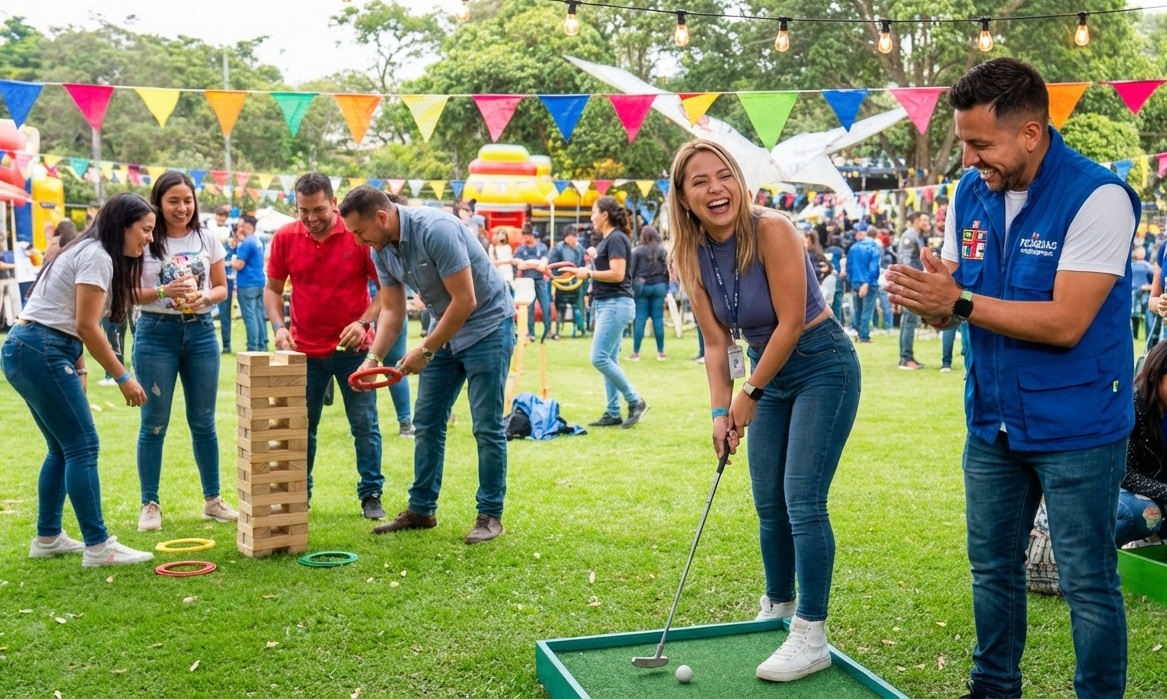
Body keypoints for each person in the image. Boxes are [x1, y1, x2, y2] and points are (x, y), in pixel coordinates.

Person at [886, 57, 1138, 698]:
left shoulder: (1099, 196)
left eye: (980, 144)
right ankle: (992, 689)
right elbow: (954, 298)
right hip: (992, 419)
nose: (969, 159)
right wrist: (931, 303)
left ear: (1030, 133)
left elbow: (1065, 322)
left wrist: (959, 305)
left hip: (1080, 426)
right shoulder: (971, 193)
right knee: (992, 570)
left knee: (1087, 580)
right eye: (965, 143)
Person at [667, 139, 860, 683]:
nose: (715, 189)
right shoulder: (689, 254)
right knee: (768, 502)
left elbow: (792, 322)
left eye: (722, 175)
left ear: (738, 180)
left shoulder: (773, 228)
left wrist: (747, 394)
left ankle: (810, 633)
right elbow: (714, 344)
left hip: (823, 365)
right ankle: (777, 606)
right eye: (699, 181)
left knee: (802, 499)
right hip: (764, 372)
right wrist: (716, 411)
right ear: (683, 198)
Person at [339, 185, 516, 544]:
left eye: (359, 232)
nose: (358, 241)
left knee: (486, 425)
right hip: (444, 331)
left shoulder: (436, 229)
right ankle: (422, 510)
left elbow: (465, 300)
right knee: (427, 421)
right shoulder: (381, 250)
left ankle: (489, 515)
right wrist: (373, 358)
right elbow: (392, 309)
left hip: (488, 325)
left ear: (382, 217)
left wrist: (426, 350)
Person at [3, 193, 155, 567]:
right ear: (123, 226)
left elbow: (66, 317)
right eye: (145, 230)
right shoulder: (97, 256)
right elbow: (87, 325)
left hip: (28, 348)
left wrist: (82, 369)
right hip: (41, 349)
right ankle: (98, 547)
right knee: (83, 446)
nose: (149, 238)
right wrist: (122, 376)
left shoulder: (85, 250)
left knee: (62, 447)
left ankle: (48, 536)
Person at [264, 173, 386, 520]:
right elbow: (272, 289)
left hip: (354, 350)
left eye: (319, 209)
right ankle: (300, 494)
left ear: (334, 202)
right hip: (304, 349)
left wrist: (363, 321)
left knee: (364, 424)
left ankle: (371, 495)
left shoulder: (356, 234)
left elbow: (386, 291)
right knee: (303, 425)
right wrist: (278, 327)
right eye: (304, 211)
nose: (312, 218)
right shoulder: (285, 237)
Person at [134, 171, 237, 531]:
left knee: (204, 421)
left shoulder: (207, 237)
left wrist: (203, 296)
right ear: (158, 203)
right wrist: (166, 292)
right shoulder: (144, 239)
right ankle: (149, 503)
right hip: (155, 334)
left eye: (188, 200)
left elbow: (223, 288)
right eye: (173, 201)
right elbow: (128, 292)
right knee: (154, 423)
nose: (182, 208)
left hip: (201, 334)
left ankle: (213, 500)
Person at [562, 196, 649, 428]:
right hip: (606, 303)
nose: (591, 217)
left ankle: (635, 400)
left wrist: (589, 274)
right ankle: (613, 412)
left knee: (599, 357)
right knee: (609, 359)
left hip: (616, 304)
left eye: (593, 212)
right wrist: (591, 266)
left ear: (604, 215)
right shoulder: (607, 240)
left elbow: (618, 274)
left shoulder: (617, 238)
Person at [1118, 340, 1167, 547]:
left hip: (1159, 493)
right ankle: (1090, 558)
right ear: (1156, 373)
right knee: (1136, 514)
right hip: (1123, 493)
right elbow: (1125, 474)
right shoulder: (1132, 405)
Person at [628, 225, 669, 360]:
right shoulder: (662, 251)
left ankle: (636, 352)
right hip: (659, 286)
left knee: (640, 319)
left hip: (642, 287)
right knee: (658, 319)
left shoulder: (637, 251)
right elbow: (667, 271)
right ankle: (661, 352)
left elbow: (631, 272)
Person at [896, 212, 930, 369]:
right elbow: (907, 262)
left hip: (910, 282)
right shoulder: (910, 236)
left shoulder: (918, 236)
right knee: (910, 320)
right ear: (916, 221)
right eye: (923, 220)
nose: (926, 223)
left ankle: (906, 356)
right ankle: (906, 358)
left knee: (908, 320)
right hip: (910, 282)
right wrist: (915, 281)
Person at [233, 214, 268, 352]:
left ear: (248, 225)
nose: (239, 227)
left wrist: (231, 262)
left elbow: (239, 265)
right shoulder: (257, 240)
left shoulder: (247, 242)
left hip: (247, 283)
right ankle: (262, 344)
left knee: (250, 316)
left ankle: (253, 346)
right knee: (259, 314)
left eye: (241, 224)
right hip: (258, 282)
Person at [512, 224, 552, 341]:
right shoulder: (520, 249)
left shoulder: (542, 247)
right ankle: (531, 333)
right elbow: (520, 264)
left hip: (540, 280)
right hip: (527, 281)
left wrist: (528, 264)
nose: (523, 239)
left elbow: (543, 265)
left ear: (530, 235)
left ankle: (548, 330)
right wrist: (536, 263)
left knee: (546, 305)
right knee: (529, 308)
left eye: (525, 237)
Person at [549, 225, 587, 338]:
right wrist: (558, 278)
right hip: (562, 283)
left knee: (578, 306)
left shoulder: (580, 249)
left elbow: (582, 264)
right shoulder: (558, 248)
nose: (574, 239)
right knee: (560, 307)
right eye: (571, 237)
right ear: (566, 237)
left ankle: (580, 328)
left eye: (575, 237)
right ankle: (558, 331)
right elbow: (552, 265)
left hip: (577, 283)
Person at [844, 228, 879, 343]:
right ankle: (864, 336)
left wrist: (851, 281)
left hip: (855, 281)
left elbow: (848, 266)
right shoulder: (873, 247)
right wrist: (867, 282)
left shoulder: (853, 247)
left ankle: (857, 333)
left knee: (857, 310)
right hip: (868, 283)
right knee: (867, 310)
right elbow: (874, 267)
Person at [218, 222, 239, 354]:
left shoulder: (242, 246)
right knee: (224, 314)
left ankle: (257, 345)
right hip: (225, 281)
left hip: (241, 283)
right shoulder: (223, 246)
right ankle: (226, 344)